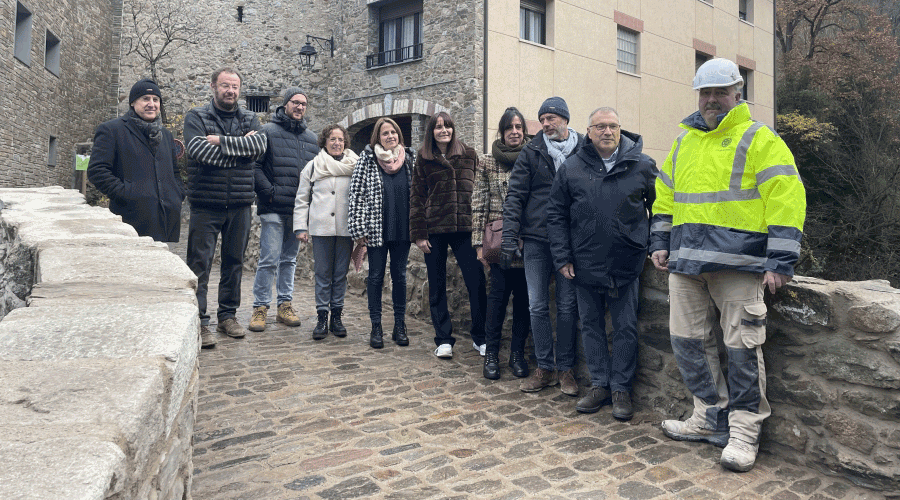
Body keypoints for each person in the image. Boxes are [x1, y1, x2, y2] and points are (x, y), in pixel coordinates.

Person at [650, 58, 806, 472]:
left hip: (740, 264)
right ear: (698, 96)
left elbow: (787, 199)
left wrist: (781, 260)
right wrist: (660, 242)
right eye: (706, 93)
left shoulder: (759, 138)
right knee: (687, 344)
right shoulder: (684, 143)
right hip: (686, 264)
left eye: (721, 92)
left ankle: (743, 431)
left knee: (741, 351)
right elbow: (665, 197)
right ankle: (708, 417)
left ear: (738, 94)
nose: (713, 100)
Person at [547, 107, 656, 421]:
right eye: (600, 127)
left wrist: (655, 245)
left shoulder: (642, 165)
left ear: (620, 130)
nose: (607, 132)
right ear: (589, 131)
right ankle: (599, 385)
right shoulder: (571, 168)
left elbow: (661, 209)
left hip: (626, 262)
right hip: (584, 262)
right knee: (591, 327)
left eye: (613, 126)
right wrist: (563, 257)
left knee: (625, 328)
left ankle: (621, 388)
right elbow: (555, 216)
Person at [502, 96, 582, 397]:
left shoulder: (583, 150)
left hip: (572, 241)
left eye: (551, 118)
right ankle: (544, 368)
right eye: (542, 119)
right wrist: (510, 237)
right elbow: (515, 197)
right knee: (537, 305)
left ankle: (566, 370)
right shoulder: (532, 151)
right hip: (536, 239)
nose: (546, 124)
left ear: (565, 119)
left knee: (566, 306)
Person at [184, 67, 267, 348]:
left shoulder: (249, 117)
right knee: (200, 265)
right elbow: (198, 151)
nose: (230, 91)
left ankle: (227, 316)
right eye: (224, 86)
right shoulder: (197, 116)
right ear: (213, 87)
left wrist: (220, 142)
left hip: (241, 203)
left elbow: (259, 146)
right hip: (206, 203)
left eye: (234, 87)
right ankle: (199, 321)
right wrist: (242, 150)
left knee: (233, 264)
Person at [410, 111, 487, 359]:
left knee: (476, 282)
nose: (444, 131)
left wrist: (481, 229)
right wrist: (419, 234)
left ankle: (480, 337)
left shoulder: (469, 154)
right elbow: (417, 198)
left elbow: (480, 192)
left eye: (448, 126)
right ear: (431, 131)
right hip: (435, 230)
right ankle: (443, 339)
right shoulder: (423, 159)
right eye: (438, 127)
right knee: (437, 285)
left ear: (454, 129)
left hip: (466, 229)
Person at [248, 88, 318, 333]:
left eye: (303, 104)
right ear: (285, 104)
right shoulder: (268, 131)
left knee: (289, 260)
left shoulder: (312, 139)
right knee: (269, 260)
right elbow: (255, 166)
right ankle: (260, 308)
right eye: (295, 102)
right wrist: (270, 192)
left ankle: (284, 305)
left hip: (298, 212)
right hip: (273, 207)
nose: (299, 107)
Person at [472, 107, 531, 380]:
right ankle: (492, 355)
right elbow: (478, 204)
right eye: (510, 127)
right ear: (502, 131)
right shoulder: (486, 162)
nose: (515, 132)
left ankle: (517, 354)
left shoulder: (534, 157)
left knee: (524, 300)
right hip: (498, 241)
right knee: (497, 299)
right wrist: (478, 245)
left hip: (529, 239)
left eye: (519, 127)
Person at [88, 79, 185, 243]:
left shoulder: (166, 135)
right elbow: (97, 171)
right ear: (133, 102)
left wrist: (176, 194)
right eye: (145, 99)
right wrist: (127, 194)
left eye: (156, 100)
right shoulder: (112, 130)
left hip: (164, 218)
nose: (151, 104)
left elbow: (174, 172)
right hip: (130, 218)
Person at [348, 117, 415, 349]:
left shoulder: (409, 159)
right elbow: (355, 196)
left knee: (400, 278)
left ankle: (399, 325)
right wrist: (359, 230)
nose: (390, 137)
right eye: (385, 133)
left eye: (394, 133)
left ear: (399, 136)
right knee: (375, 278)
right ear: (378, 137)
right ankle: (376, 326)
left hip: (402, 229)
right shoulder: (367, 160)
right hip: (376, 229)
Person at [294, 124, 358, 340]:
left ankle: (337, 317)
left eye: (340, 139)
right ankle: (322, 317)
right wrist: (301, 227)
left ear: (345, 142)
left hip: (345, 229)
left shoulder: (355, 165)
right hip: (321, 229)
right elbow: (302, 199)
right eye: (332, 139)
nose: (337, 143)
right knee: (322, 274)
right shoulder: (313, 166)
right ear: (324, 142)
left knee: (340, 274)